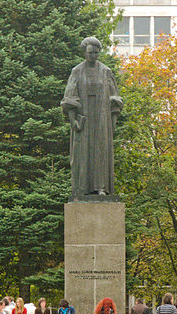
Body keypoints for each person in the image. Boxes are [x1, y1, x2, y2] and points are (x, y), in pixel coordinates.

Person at [61, 36, 123, 197]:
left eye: (96, 53)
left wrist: (112, 104)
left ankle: (101, 187)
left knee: (101, 151)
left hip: (102, 118)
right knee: (83, 152)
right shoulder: (77, 71)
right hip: (85, 118)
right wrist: (73, 118)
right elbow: (69, 96)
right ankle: (82, 189)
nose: (93, 56)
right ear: (84, 52)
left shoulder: (106, 71)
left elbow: (115, 97)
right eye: (90, 52)